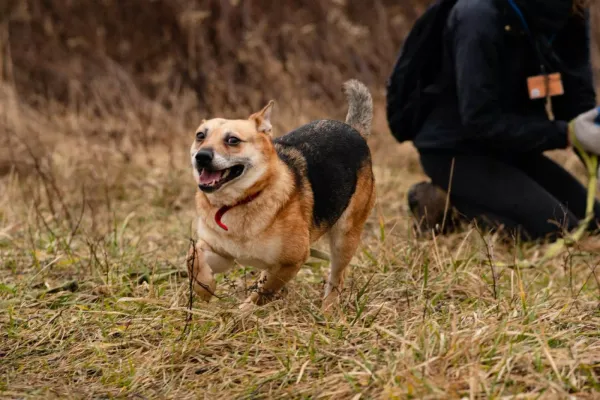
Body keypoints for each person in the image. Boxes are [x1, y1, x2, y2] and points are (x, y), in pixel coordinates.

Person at [406, 0, 600, 240]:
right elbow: (479, 121)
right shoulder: (477, 15)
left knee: (595, 222)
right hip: (456, 151)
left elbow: (576, 103)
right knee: (560, 230)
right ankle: (446, 203)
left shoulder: (573, 10)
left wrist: (594, 150)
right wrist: (567, 134)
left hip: (514, 147)